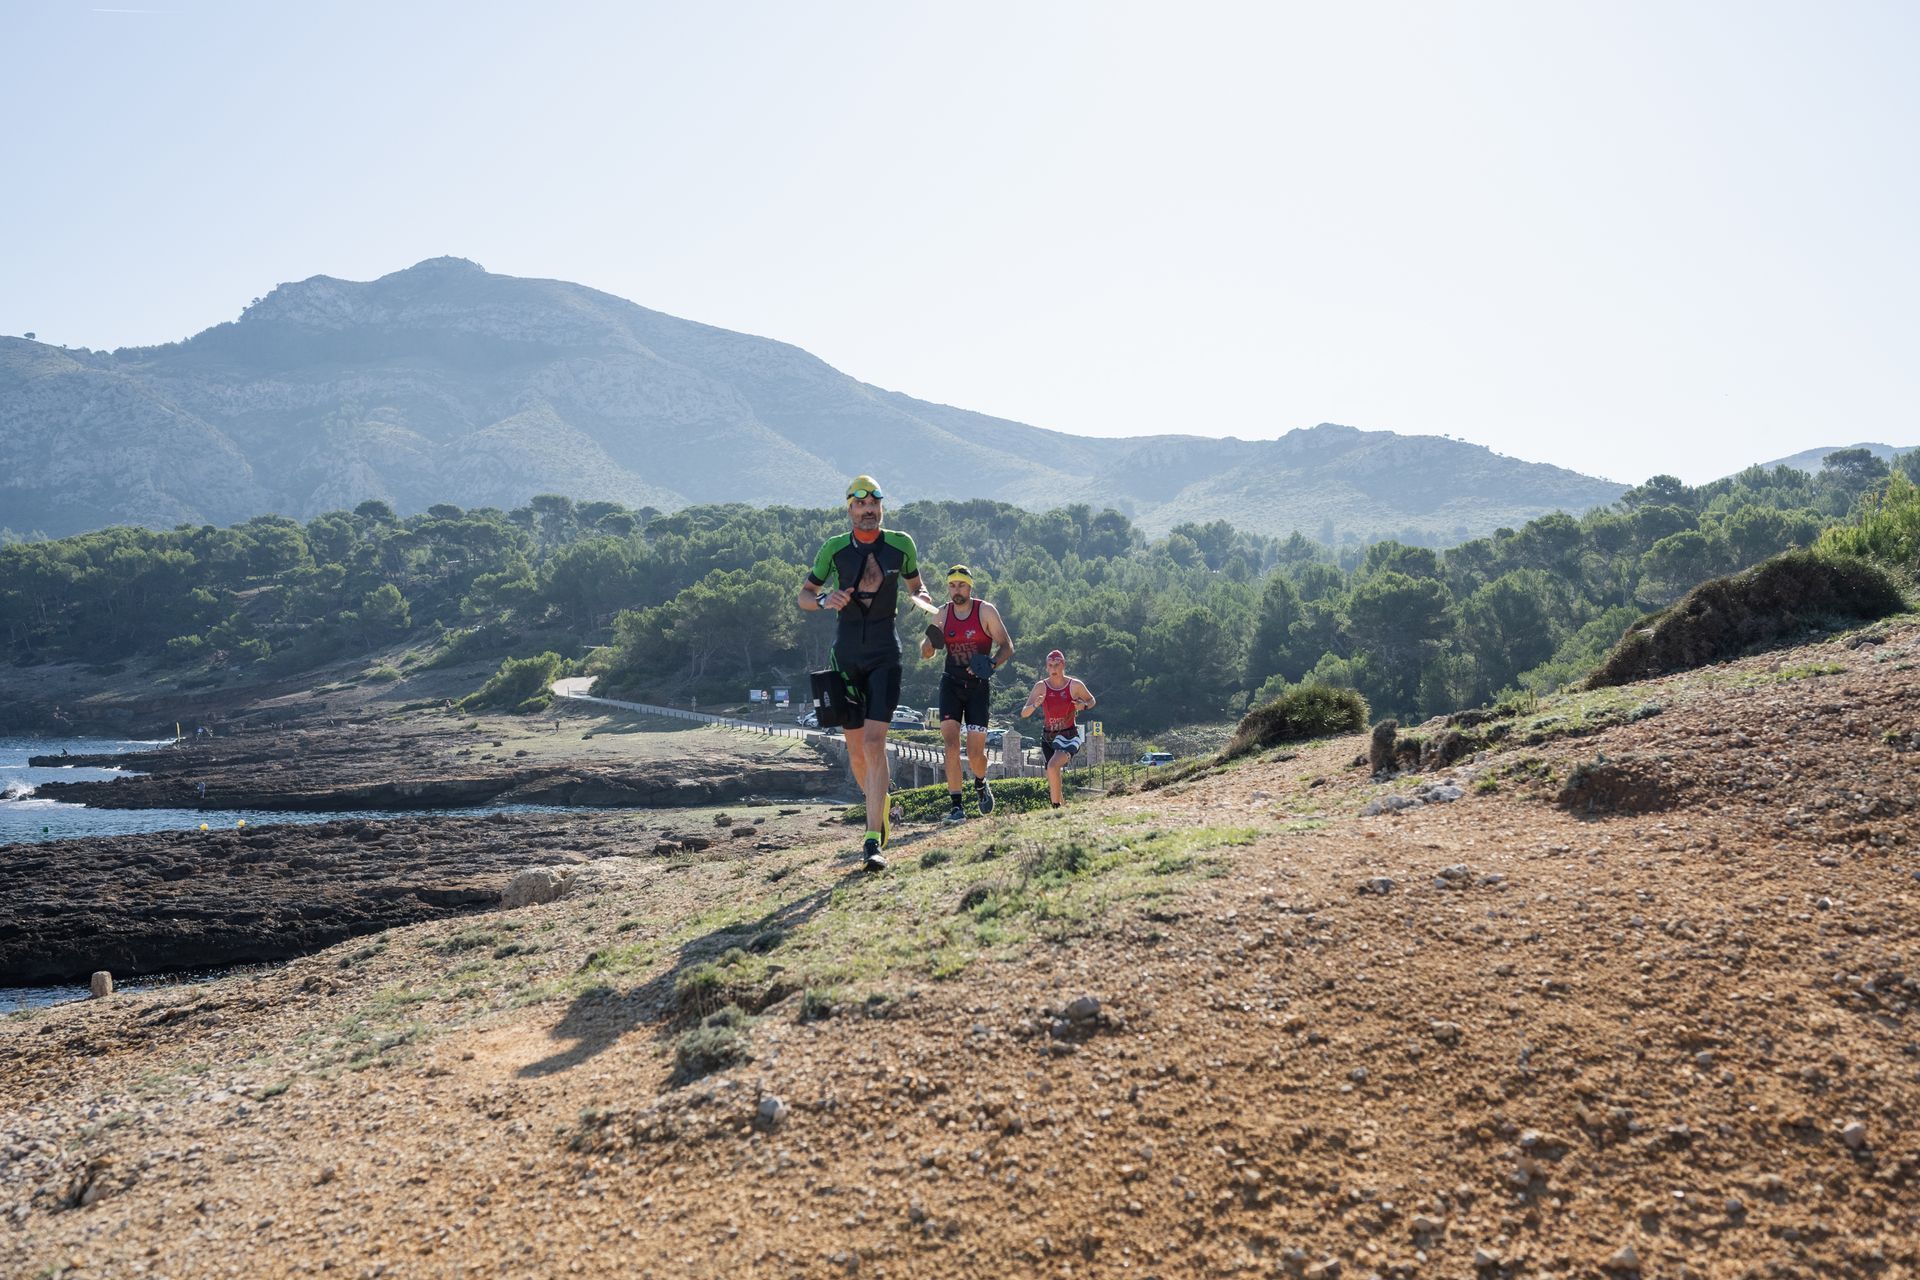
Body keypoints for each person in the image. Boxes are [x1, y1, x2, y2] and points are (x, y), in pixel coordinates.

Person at [798, 475, 930, 870]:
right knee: (856, 752)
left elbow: (917, 586)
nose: (868, 510)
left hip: (885, 654)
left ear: (881, 508)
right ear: (850, 509)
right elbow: (804, 596)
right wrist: (825, 599)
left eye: (874, 504)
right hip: (846, 656)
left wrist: (924, 601)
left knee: (874, 743)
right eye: (860, 504)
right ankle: (880, 804)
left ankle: (872, 839)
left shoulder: (901, 545)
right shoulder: (834, 549)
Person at [918, 564, 1013, 823]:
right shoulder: (942, 613)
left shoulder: (985, 611)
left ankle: (980, 782)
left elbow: (1007, 646)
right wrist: (929, 643)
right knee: (950, 745)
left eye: (961, 585)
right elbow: (926, 653)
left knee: (974, 755)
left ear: (970, 587)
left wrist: (990, 664)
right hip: (951, 683)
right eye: (952, 585)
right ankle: (957, 807)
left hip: (977, 687)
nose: (956, 590)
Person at [1020, 649, 1096, 809]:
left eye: (1056, 665)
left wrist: (1084, 706)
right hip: (1048, 738)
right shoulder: (1041, 686)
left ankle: (1055, 809)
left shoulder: (1074, 685)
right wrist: (1035, 705)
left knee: (1053, 766)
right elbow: (1024, 713)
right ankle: (1063, 809)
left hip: (1068, 736)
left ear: (1063, 665)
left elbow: (1091, 700)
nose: (1053, 669)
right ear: (1046, 667)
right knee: (1052, 774)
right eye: (1050, 665)